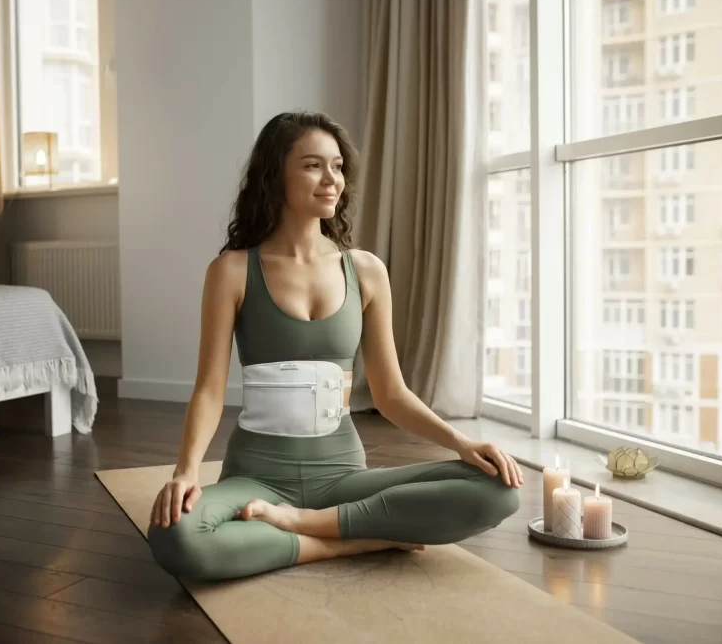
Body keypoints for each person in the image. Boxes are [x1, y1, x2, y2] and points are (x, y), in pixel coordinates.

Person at [147, 111, 522, 582]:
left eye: (338, 166)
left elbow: (390, 394)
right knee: (174, 535)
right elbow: (209, 389)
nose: (332, 180)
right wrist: (186, 471)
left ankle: (304, 526)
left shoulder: (365, 270)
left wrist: (463, 443)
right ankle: (352, 540)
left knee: (499, 489)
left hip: (343, 478)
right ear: (275, 174)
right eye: (312, 165)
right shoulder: (232, 271)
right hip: (256, 479)